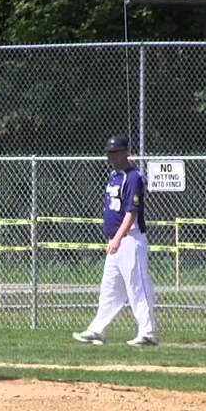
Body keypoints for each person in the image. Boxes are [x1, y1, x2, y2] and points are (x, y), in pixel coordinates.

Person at [73, 135, 159, 346]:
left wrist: (118, 239)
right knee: (110, 289)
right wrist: (114, 240)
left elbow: (131, 213)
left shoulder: (133, 177)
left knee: (137, 286)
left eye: (115, 152)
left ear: (125, 152)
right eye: (109, 152)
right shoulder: (115, 176)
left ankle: (148, 333)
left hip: (130, 240)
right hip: (116, 241)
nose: (111, 156)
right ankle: (97, 330)